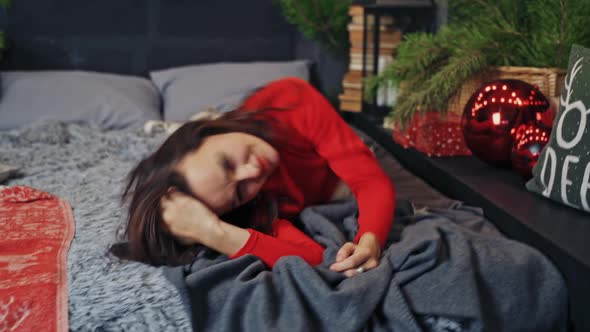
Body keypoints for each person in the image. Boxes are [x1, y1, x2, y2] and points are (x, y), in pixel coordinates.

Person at [120, 77, 395, 277]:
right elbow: (313, 258)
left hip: (276, 132)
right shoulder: (254, 204)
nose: (253, 172)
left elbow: (368, 180)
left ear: (209, 132)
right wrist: (214, 233)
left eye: (227, 164)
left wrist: (370, 239)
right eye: (239, 192)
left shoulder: (290, 100)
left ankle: (193, 121)